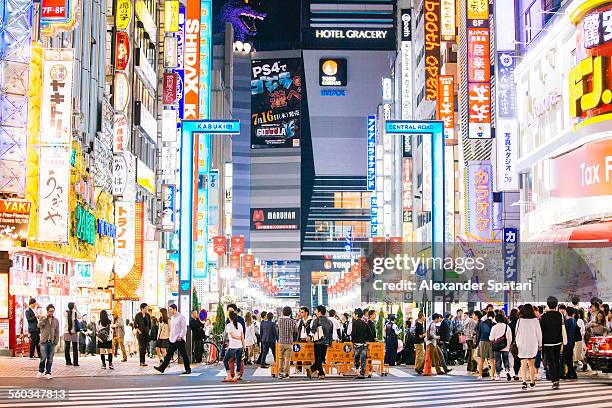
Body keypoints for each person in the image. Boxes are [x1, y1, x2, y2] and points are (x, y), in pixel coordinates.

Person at [154, 304, 191, 374]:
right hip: (172, 339)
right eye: (169, 309)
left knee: (184, 355)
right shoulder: (172, 318)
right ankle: (162, 368)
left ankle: (188, 369)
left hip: (179, 340)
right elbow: (172, 329)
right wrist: (170, 337)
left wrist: (180, 336)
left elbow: (184, 328)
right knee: (168, 355)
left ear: (175, 309)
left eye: (171, 309)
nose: (170, 311)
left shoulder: (181, 317)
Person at [540, 296, 565, 390]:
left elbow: (542, 330)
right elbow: (561, 328)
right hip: (558, 341)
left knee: (551, 362)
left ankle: (554, 380)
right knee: (557, 360)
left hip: (547, 342)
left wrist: (541, 343)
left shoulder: (544, 316)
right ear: (556, 305)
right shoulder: (559, 315)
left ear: (548, 304)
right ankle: (557, 379)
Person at [516, 303, 542, 390]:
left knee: (523, 364)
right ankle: (532, 381)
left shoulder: (519, 320)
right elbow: (539, 333)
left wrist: (517, 343)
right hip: (532, 344)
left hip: (522, 344)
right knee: (531, 364)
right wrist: (540, 344)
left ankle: (523, 382)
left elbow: (516, 333)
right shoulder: (535, 320)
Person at [307, 305, 333, 379]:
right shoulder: (330, 322)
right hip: (325, 343)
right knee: (321, 359)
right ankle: (321, 374)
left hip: (318, 342)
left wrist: (309, 336)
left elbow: (313, 330)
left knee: (318, 359)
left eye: (316, 310)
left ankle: (311, 369)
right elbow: (330, 333)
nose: (315, 312)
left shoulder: (317, 320)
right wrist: (330, 343)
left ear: (319, 312)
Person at [37, 304, 60, 379]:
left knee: (50, 358)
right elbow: (39, 326)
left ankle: (48, 372)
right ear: (47, 311)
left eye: (53, 311)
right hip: (44, 341)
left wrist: (56, 341)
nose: (51, 313)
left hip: (52, 342)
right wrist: (45, 318)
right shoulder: (43, 318)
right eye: (50, 311)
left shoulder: (56, 320)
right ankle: (40, 371)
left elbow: (57, 331)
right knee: (43, 357)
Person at [351, 308, 375, 378]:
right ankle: (362, 373)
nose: (354, 315)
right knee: (363, 359)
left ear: (357, 315)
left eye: (354, 314)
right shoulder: (365, 323)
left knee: (356, 357)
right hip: (364, 344)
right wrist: (366, 339)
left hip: (357, 345)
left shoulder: (355, 323)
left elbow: (353, 334)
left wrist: (353, 340)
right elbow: (370, 334)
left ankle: (357, 365)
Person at [222, 311, 244, 382]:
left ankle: (229, 376)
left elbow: (232, 336)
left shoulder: (229, 325)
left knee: (225, 360)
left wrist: (238, 338)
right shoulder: (240, 325)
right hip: (240, 346)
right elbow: (242, 336)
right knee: (238, 361)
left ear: (230, 317)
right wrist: (243, 346)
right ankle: (235, 377)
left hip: (232, 346)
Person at [585, 310, 610, 375]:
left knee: (602, 355)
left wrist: (603, 327)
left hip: (602, 340)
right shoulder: (593, 321)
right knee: (594, 355)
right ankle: (595, 369)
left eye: (601, 316)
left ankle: (605, 369)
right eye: (598, 316)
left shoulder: (604, 323)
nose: (599, 317)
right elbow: (586, 327)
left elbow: (608, 330)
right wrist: (592, 324)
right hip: (594, 340)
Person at [489, 313, 512, 381]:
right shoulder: (507, 327)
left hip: (497, 347)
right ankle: (507, 371)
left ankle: (498, 375)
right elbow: (510, 337)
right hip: (505, 346)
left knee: (498, 360)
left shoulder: (494, 327)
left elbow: (491, 338)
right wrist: (508, 344)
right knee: (506, 359)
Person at [226, 304, 246, 378]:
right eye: (228, 311)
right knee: (230, 359)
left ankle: (239, 374)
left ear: (235, 311)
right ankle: (231, 374)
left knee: (240, 359)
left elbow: (243, 332)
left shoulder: (240, 320)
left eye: (231, 311)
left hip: (239, 343)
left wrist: (243, 343)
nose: (229, 312)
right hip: (231, 343)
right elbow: (227, 332)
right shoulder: (228, 320)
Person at [277, 306, 297, 379]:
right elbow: (296, 332)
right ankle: (286, 374)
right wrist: (293, 340)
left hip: (281, 342)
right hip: (289, 342)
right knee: (287, 359)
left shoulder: (279, 320)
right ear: (290, 313)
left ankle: (280, 373)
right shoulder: (293, 321)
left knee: (280, 358)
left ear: (283, 312)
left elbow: (277, 330)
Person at [560, 305, 578, 380]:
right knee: (569, 358)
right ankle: (570, 373)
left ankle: (573, 373)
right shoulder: (573, 320)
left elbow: (563, 332)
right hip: (572, 342)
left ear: (567, 312)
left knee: (565, 359)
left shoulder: (568, 321)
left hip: (567, 343)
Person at [476, 311, 495, 380]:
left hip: (482, 341)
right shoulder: (494, 324)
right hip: (491, 342)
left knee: (481, 360)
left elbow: (479, 334)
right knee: (492, 360)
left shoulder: (482, 323)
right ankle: (492, 376)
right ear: (493, 317)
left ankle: (480, 375)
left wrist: (478, 344)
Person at [63, 302, 81, 366]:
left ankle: (68, 362)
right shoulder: (75, 313)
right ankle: (75, 362)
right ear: (73, 307)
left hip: (67, 331)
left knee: (67, 348)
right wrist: (76, 309)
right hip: (74, 332)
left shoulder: (65, 312)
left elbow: (66, 312)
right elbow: (80, 317)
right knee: (75, 348)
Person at [508, 308, 521, 380]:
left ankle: (515, 374)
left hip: (513, 343)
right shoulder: (519, 323)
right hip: (520, 341)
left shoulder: (510, 324)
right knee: (519, 358)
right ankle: (518, 374)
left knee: (514, 358)